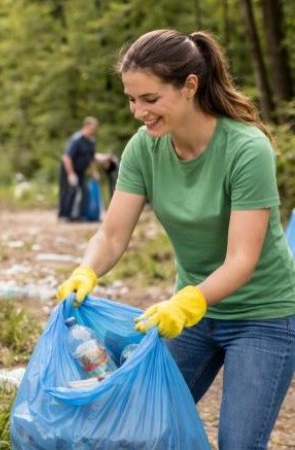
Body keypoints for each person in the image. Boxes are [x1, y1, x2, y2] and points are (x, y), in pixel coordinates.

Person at [56, 29, 295, 449]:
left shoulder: (246, 148)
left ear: (189, 86)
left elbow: (242, 258)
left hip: (264, 317)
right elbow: (111, 235)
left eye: (149, 99)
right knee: (139, 425)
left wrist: (188, 302)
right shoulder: (144, 150)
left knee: (239, 443)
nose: (138, 112)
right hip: (193, 317)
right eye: (131, 99)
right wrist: (85, 270)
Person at [58, 116, 100, 222]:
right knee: (69, 191)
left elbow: (91, 159)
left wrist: (94, 172)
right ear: (85, 126)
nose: (93, 131)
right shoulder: (76, 140)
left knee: (85, 191)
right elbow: (67, 157)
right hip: (69, 170)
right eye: (92, 129)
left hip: (81, 171)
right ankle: (64, 215)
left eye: (95, 129)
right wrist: (71, 174)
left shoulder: (91, 142)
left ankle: (80, 216)